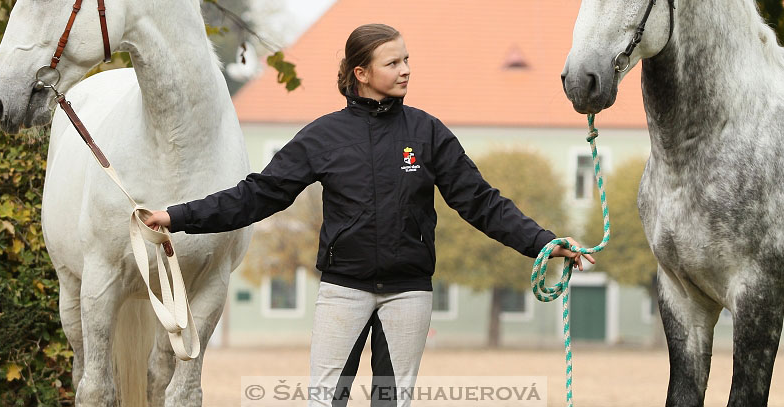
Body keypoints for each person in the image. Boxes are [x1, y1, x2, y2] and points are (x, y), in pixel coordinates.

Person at [145, 23, 594, 406]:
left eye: (406, 60)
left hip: (408, 293)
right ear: (361, 73)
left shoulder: (427, 132)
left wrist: (545, 242)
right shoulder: (324, 136)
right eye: (393, 63)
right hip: (344, 290)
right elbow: (258, 195)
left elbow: (481, 201)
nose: (406, 70)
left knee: (391, 400)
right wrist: (177, 216)